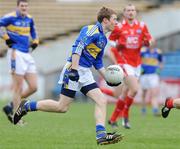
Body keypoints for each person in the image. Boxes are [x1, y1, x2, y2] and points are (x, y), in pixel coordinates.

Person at [13, 7, 123, 145]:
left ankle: (100, 135)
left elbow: (97, 62)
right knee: (62, 107)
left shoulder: (103, 39)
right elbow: (77, 48)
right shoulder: (90, 30)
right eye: (114, 19)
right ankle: (28, 106)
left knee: (102, 100)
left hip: (85, 73)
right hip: (73, 69)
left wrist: (107, 77)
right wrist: (74, 71)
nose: (116, 23)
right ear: (106, 20)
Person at [107, 4, 154, 129]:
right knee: (135, 89)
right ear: (124, 13)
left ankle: (112, 119)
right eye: (128, 10)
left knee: (125, 93)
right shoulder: (119, 27)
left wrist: (147, 42)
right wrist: (118, 46)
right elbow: (110, 42)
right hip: (125, 63)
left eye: (133, 10)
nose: (131, 12)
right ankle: (125, 117)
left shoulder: (142, 26)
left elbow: (149, 39)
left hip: (137, 64)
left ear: (135, 12)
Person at [0, 0, 39, 123]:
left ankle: (11, 105)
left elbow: (33, 31)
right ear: (17, 6)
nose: (24, 8)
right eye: (22, 6)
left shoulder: (29, 18)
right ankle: (16, 118)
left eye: (26, 6)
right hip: (15, 53)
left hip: (27, 54)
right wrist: (6, 38)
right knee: (18, 87)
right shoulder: (10, 17)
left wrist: (35, 41)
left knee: (33, 87)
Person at [140, 45, 163, 116]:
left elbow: (161, 62)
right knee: (144, 93)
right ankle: (143, 108)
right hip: (144, 75)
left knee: (154, 93)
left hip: (153, 75)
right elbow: (137, 59)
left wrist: (159, 70)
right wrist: (140, 69)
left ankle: (155, 109)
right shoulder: (143, 51)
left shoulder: (158, 52)